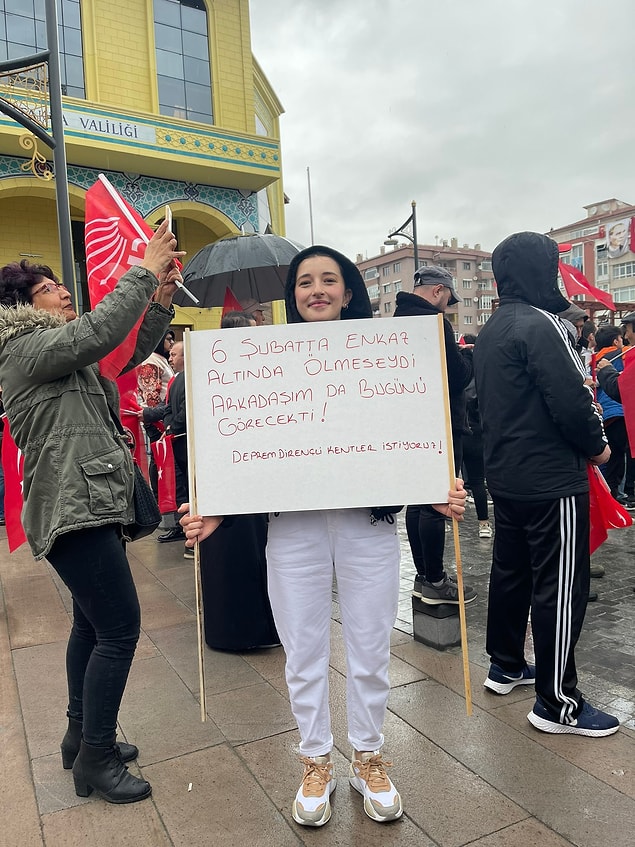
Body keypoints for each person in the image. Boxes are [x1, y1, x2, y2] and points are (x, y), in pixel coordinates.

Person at [179, 244, 467, 827]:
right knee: (303, 650)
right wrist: (216, 510)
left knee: (368, 646)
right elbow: (243, 446)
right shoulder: (266, 359)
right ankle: (315, 760)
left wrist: (433, 485)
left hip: (367, 526)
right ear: (293, 293)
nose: (317, 290)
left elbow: (409, 426)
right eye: (305, 281)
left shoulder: (383, 354)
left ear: (348, 290)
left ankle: (367, 754)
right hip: (294, 530)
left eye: (329, 280)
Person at [0, 221, 185, 803]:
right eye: (50, 286)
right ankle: (97, 759)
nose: (63, 289)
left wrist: (159, 300)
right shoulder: (22, 348)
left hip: (83, 504)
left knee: (91, 622)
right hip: (69, 508)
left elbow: (118, 350)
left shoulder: (63, 356)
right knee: (120, 627)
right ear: (21, 306)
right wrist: (144, 268)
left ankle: (80, 738)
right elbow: (102, 329)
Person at [474, 230, 619, 737]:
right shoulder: (543, 324)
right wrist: (598, 448)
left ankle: (506, 662)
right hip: (550, 480)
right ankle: (557, 702)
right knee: (560, 587)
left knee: (510, 573)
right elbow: (572, 401)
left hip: (507, 477)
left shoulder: (492, 328)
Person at [393, 265, 477, 604]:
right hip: (441, 421)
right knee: (436, 501)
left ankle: (423, 574)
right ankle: (437, 581)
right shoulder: (434, 322)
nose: (447, 305)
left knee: (418, 500)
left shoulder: (397, 319)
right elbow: (456, 377)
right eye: (448, 298)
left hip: (412, 421)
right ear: (438, 291)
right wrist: (466, 359)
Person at [199, 308, 279, 651]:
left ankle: (254, 627)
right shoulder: (215, 375)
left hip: (248, 477)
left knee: (251, 552)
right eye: (251, 331)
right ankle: (243, 630)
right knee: (236, 553)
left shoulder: (251, 373)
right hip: (228, 476)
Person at [594, 325, 631, 505]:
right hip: (620, 412)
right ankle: (619, 497)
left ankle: (608, 496)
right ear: (616, 341)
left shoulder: (594, 359)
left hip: (604, 414)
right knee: (620, 458)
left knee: (609, 457)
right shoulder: (622, 355)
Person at [460, 334, 492, 539]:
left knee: (450, 480)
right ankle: (484, 524)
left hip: (456, 431)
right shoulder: (483, 375)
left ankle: (444, 519)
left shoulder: (455, 374)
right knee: (478, 479)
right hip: (476, 430)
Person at [163, 341, 191, 558]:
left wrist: (173, 425)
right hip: (177, 439)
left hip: (184, 438)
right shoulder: (174, 380)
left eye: (174, 354)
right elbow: (169, 409)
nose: (170, 358)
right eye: (170, 354)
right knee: (183, 487)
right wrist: (169, 425)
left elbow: (186, 409)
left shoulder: (191, 377)